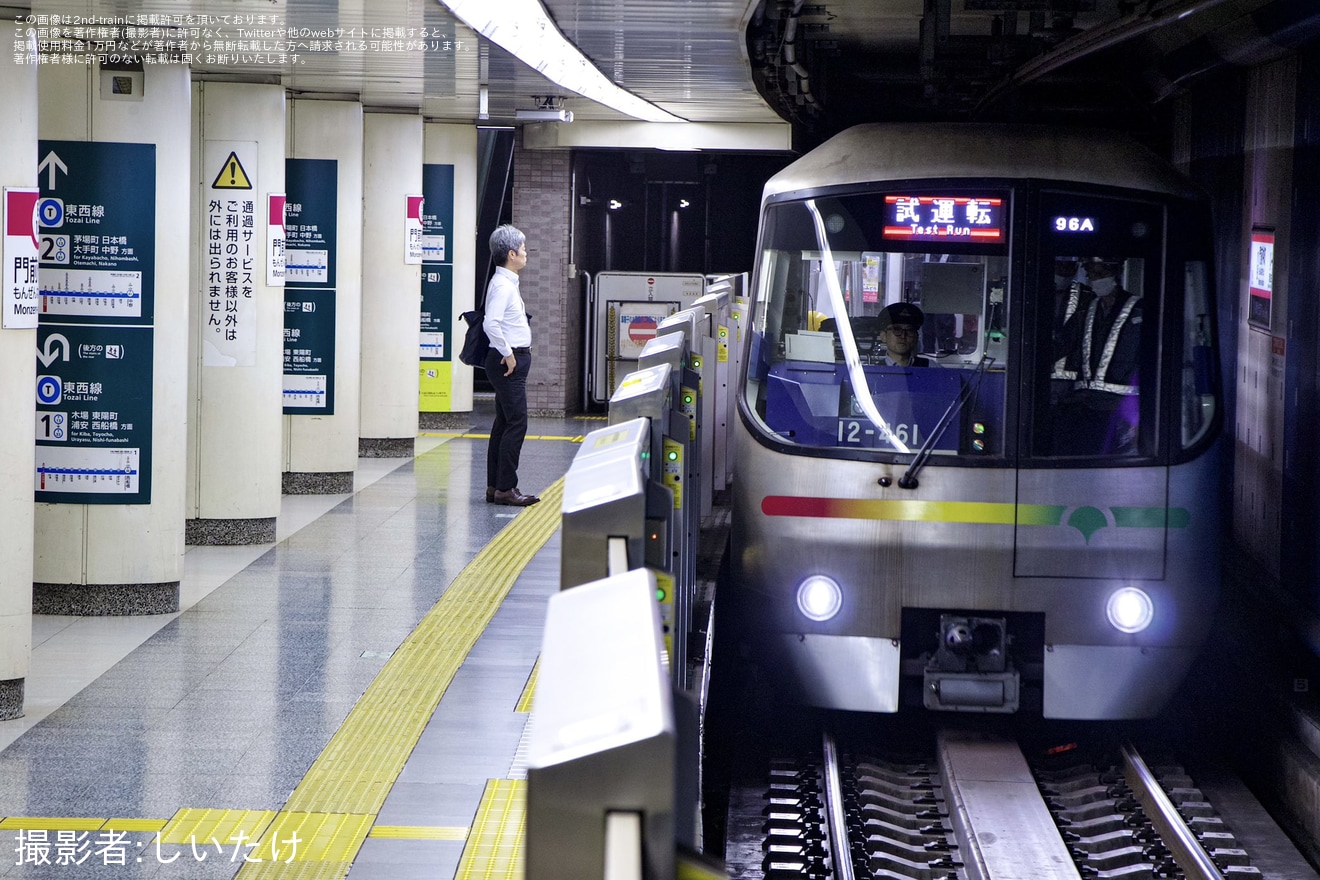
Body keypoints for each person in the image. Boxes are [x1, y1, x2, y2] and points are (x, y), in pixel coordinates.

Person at [1055, 257, 1143, 454]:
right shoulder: (1087, 309)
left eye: (1100, 273)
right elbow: (1063, 344)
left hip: (1121, 405)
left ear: (1115, 273)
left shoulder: (1140, 310)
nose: (1095, 280)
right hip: (1087, 402)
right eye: (1092, 274)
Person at [482, 225, 539, 506]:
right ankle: (506, 488)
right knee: (517, 422)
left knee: (504, 422)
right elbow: (490, 322)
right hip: (508, 363)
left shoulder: (506, 283)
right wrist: (509, 353)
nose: (527, 253)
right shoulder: (503, 286)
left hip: (508, 361)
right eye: (524, 249)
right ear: (512, 253)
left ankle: (495, 486)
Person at [877, 301, 936, 367]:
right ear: (883, 336)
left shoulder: (931, 368)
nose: (903, 336)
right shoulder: (871, 373)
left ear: (916, 337)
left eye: (910, 330)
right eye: (896, 329)